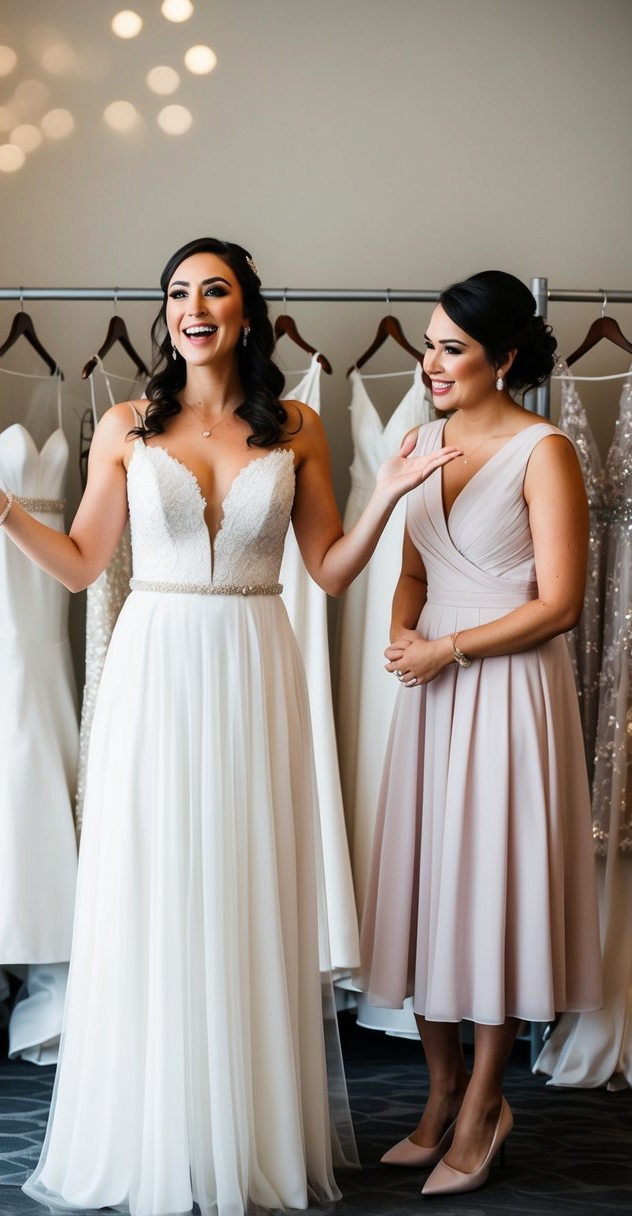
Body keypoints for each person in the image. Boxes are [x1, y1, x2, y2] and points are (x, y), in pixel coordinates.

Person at [0, 236, 458, 1216]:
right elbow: (80, 563)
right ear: (167, 313)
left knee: (243, 886)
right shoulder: (125, 423)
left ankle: (243, 1137)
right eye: (178, 292)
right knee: (153, 885)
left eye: (215, 290)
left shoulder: (296, 426)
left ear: (246, 310)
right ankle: (152, 1129)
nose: (193, 306)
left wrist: (393, 497)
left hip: (253, 661)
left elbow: (327, 570)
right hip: (154, 665)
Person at [358, 270, 603, 1197]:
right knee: (427, 888)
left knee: (492, 893)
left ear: (502, 358)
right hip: (429, 686)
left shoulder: (545, 451)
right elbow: (413, 569)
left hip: (505, 690)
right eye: (427, 345)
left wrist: (446, 650)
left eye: (452, 348)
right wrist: (399, 635)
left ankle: (485, 1103)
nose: (431, 363)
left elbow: (561, 604)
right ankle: (440, 1090)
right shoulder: (418, 441)